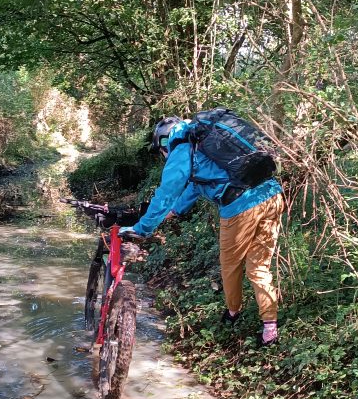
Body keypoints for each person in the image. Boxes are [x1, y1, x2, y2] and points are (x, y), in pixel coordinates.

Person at [120, 116, 284, 347]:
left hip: (241, 206)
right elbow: (196, 186)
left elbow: (167, 192)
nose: (163, 155)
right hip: (272, 196)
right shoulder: (204, 143)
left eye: (161, 150)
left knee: (230, 265)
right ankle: (270, 330)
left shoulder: (182, 148)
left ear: (164, 141)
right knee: (259, 268)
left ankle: (233, 313)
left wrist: (142, 228)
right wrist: (171, 213)